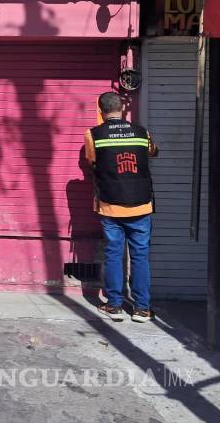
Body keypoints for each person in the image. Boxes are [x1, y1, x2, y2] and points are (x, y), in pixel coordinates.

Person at [85, 91, 158, 323]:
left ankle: (114, 305)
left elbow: (92, 161)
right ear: (122, 109)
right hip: (141, 204)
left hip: (111, 205)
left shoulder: (93, 134)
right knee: (140, 256)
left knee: (114, 254)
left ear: (100, 110)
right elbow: (153, 152)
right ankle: (142, 309)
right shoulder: (142, 132)